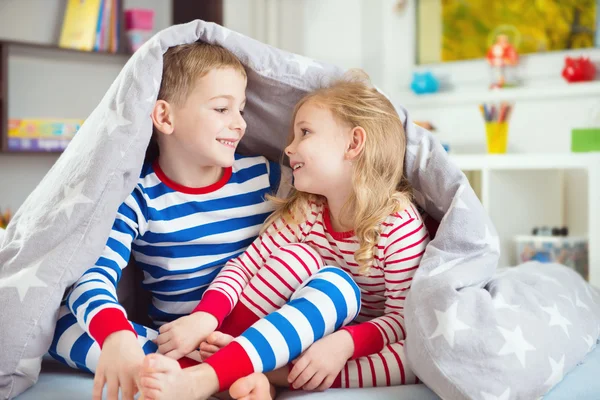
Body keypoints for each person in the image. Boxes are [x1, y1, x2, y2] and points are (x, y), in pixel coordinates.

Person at [138, 71, 430, 400]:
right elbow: (245, 267)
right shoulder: (307, 210)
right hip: (284, 336)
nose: (289, 149)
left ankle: (255, 374)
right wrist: (206, 317)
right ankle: (225, 366)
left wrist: (345, 343)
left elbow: (403, 321)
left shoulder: (397, 222)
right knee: (298, 258)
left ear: (353, 144)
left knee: (414, 358)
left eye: (304, 132)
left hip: (350, 348)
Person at [48, 42, 286, 400]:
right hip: (176, 345)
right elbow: (93, 274)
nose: (239, 124)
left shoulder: (266, 177)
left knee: (334, 285)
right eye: (222, 108)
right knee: (55, 323)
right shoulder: (137, 195)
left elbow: (331, 195)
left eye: (241, 109)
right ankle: (206, 378)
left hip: (260, 336)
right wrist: (118, 339)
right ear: (165, 117)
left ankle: (221, 374)